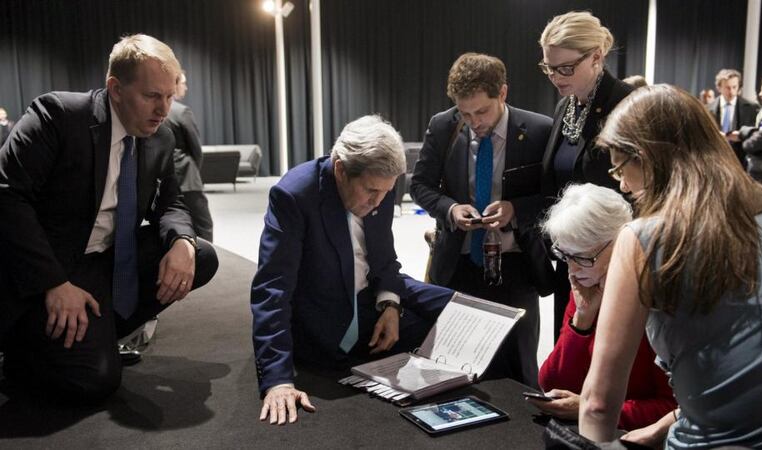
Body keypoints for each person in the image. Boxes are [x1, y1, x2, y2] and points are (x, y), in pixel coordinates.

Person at [0, 34, 219, 402]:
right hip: (48, 268)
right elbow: (7, 196)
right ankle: (24, 350)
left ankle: (99, 333)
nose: (163, 109)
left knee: (203, 257)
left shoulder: (160, 137)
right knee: (98, 381)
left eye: (169, 96)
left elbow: (171, 203)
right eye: (152, 96)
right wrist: (53, 283)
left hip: (108, 262)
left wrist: (183, 241)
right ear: (115, 89)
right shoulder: (58, 115)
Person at [579, 84, 762, 447]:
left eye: (619, 167)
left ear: (647, 158)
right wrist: (663, 425)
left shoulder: (643, 239)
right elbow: (751, 368)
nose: (621, 184)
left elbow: (599, 405)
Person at [251, 115, 453, 425]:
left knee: (464, 310)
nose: (378, 203)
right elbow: (273, 289)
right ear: (341, 169)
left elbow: (385, 257)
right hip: (325, 308)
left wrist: (390, 303)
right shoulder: (294, 195)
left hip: (372, 293)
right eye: (371, 192)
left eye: (387, 193)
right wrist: (278, 380)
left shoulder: (379, 186)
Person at [409, 52, 553, 388]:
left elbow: (555, 197)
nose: (474, 121)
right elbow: (420, 185)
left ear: (502, 93)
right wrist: (450, 209)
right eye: (465, 112)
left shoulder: (538, 130)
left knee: (519, 367)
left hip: (516, 265)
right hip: (458, 262)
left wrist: (516, 209)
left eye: (482, 111)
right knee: (454, 362)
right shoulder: (443, 125)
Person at [530, 183, 675, 430]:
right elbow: (551, 381)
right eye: (565, 256)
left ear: (621, 241)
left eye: (583, 257)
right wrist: (583, 317)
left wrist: (592, 408)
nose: (573, 270)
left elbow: (675, 408)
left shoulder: (657, 298)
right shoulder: (588, 286)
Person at [537, 11, 634, 342]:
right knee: (568, 352)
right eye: (549, 67)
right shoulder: (566, 108)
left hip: (611, 262)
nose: (554, 76)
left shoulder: (626, 105)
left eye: (565, 68)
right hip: (571, 261)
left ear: (596, 57)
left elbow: (640, 193)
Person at [166, 71, 214, 241]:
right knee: (203, 223)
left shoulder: (152, 111)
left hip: (163, 177)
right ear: (174, 85)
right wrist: (195, 172)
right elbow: (196, 149)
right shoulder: (182, 111)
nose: (185, 87)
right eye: (183, 83)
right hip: (187, 177)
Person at [709, 68, 759, 168]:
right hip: (715, 160)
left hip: (741, 162)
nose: (731, 91)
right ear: (719, 88)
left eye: (734, 87)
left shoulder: (753, 108)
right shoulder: (707, 109)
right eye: (727, 87)